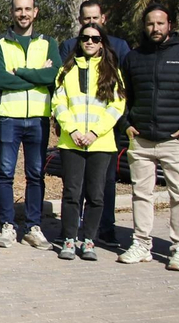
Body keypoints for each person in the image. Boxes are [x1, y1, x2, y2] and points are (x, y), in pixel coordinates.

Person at [120, 4, 179, 270]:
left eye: (160, 23)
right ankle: (141, 244)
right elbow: (123, 95)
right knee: (141, 194)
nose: (155, 28)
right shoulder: (134, 58)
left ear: (170, 25)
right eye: (150, 24)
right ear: (144, 26)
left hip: (175, 139)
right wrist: (126, 123)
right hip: (142, 139)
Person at [51, 22, 126, 261]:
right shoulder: (67, 70)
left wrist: (94, 132)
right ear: (79, 42)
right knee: (71, 193)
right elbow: (58, 102)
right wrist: (72, 130)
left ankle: (89, 241)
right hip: (71, 142)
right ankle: (69, 239)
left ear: (102, 42)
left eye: (95, 38)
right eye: (85, 38)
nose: (90, 42)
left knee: (96, 195)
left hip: (100, 143)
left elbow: (117, 106)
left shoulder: (111, 71)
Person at [0, 0, 60, 250]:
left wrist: (20, 72)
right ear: (12, 12)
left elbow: (54, 76)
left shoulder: (48, 43)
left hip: (39, 118)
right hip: (9, 116)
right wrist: (37, 76)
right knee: (5, 173)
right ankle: (7, 226)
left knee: (36, 174)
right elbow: (0, 79)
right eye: (18, 9)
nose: (23, 14)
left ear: (35, 12)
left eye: (28, 9)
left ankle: (33, 227)